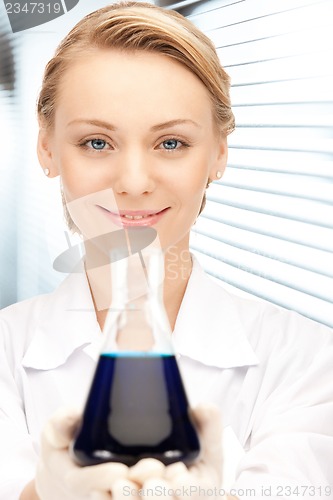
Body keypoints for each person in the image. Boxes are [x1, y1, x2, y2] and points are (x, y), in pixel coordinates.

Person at [0, 1, 332, 499]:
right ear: (46, 146)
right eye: (96, 142)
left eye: (171, 143)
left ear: (219, 151)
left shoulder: (306, 361)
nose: (133, 183)